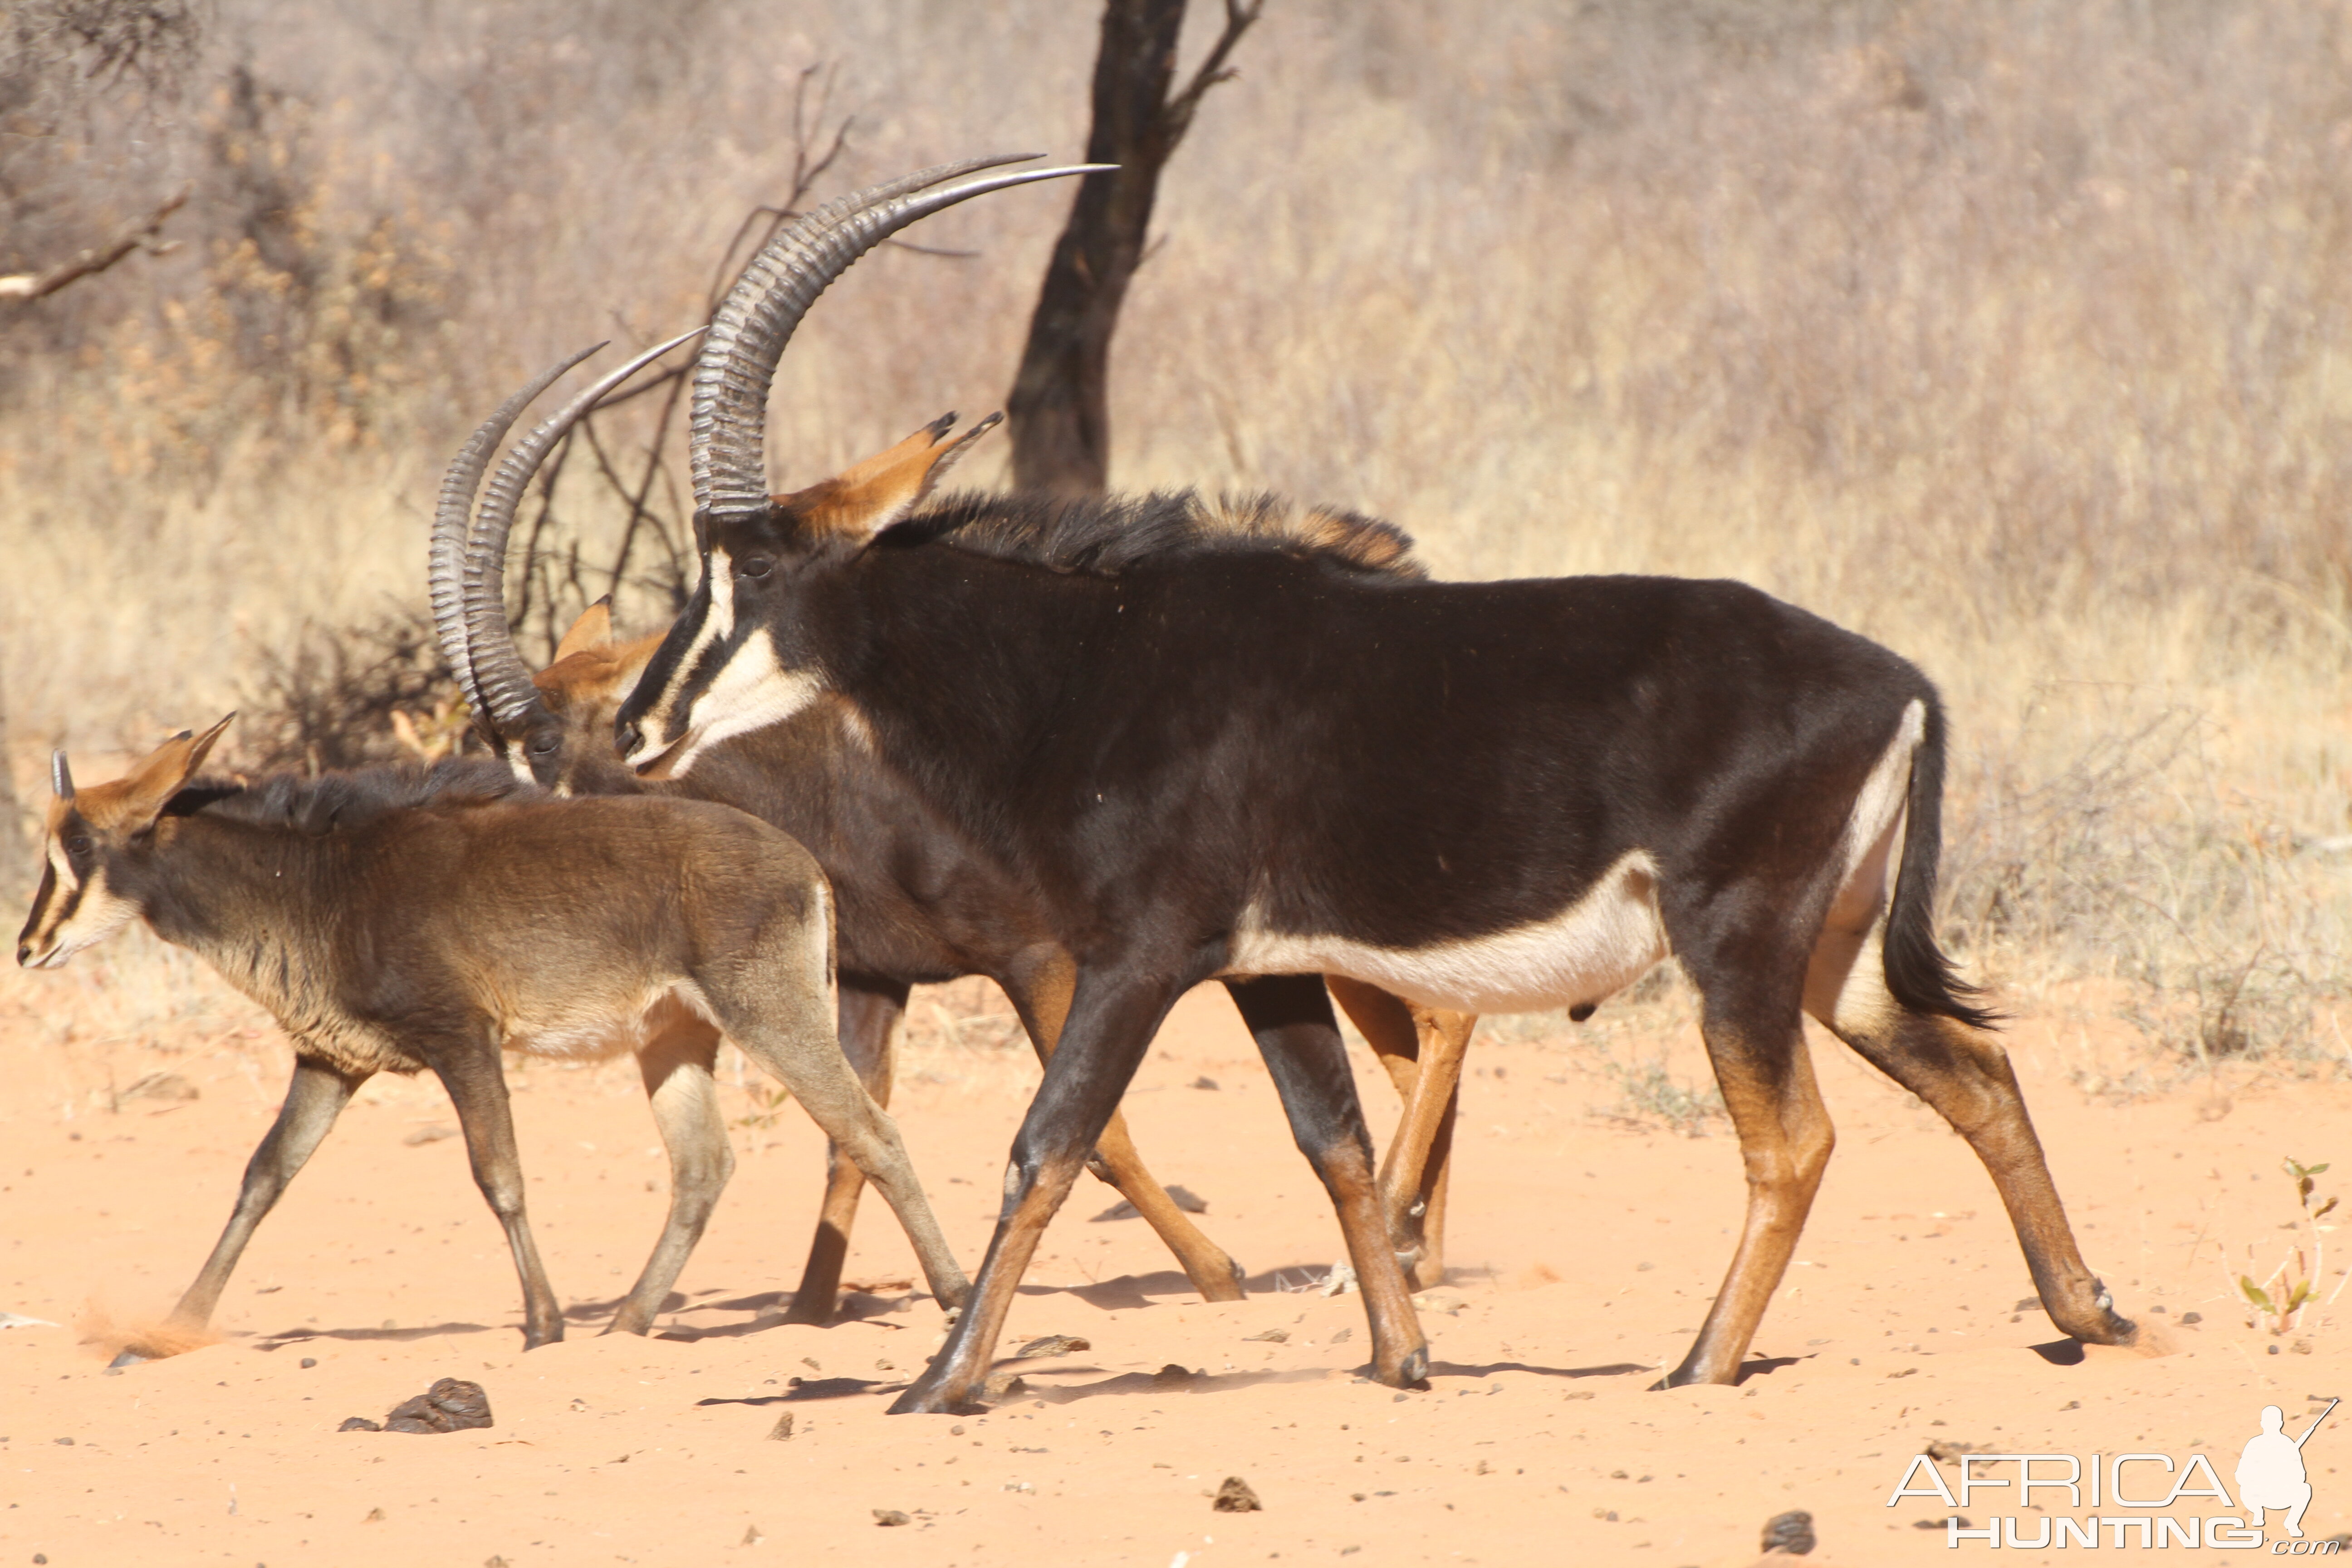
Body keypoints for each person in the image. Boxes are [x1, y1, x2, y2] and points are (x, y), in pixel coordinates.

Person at [2238, 1405, 2314, 1538]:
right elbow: (2242, 1474)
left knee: (2305, 1489)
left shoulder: (2282, 1444)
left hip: (2279, 1494)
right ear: (2281, 1423)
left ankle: (2290, 1522)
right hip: (2260, 1494)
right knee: (2305, 1489)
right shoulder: (2258, 1444)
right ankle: (2258, 1514)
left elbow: (2300, 1475)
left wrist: (2281, 1474)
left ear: (2262, 1423)